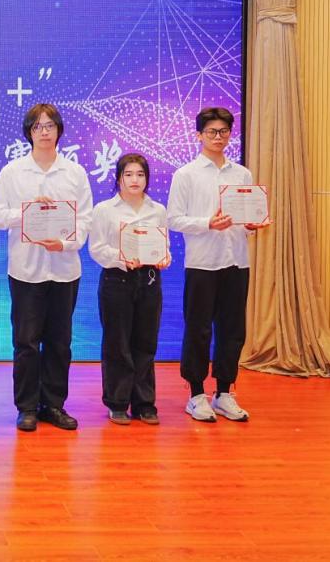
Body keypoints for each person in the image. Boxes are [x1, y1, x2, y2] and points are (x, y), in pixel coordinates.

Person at [0, 104, 93, 432]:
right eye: (38, 126)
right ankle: (26, 407)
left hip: (64, 268)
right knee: (26, 342)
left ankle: (53, 404)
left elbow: (85, 219)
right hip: (26, 270)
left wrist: (65, 243)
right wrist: (26, 212)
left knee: (60, 342)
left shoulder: (74, 173)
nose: (44, 132)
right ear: (29, 132)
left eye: (50, 125)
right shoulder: (13, 172)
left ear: (59, 130)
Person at [168, 107, 270, 423]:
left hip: (237, 261)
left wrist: (252, 225)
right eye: (211, 131)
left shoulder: (242, 174)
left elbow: (247, 217)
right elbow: (174, 219)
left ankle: (224, 392)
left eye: (223, 131)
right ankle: (196, 394)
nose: (218, 137)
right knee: (198, 329)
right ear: (199, 135)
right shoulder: (186, 174)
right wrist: (207, 223)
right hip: (203, 263)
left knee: (233, 330)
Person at [89, 153, 170, 426]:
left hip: (149, 279)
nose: (135, 180)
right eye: (129, 174)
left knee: (146, 343)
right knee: (117, 343)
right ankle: (118, 402)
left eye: (140, 174)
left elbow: (163, 245)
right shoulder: (104, 210)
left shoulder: (157, 210)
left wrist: (165, 257)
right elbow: (96, 249)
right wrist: (122, 258)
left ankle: (144, 403)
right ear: (118, 178)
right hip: (117, 280)